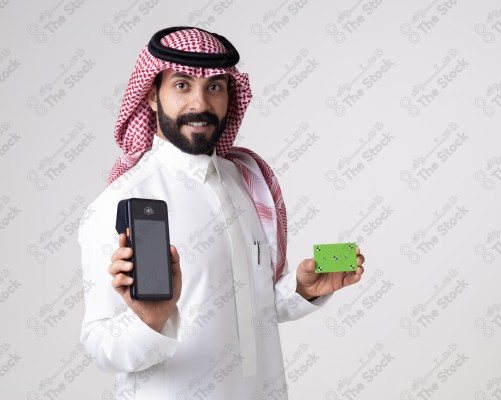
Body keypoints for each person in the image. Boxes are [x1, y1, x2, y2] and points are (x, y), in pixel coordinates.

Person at [78, 26, 366, 399]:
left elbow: (254, 308)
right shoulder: (120, 201)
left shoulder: (247, 181)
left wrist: (301, 290)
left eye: (214, 86)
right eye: (182, 85)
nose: (200, 104)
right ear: (151, 95)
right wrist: (151, 322)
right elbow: (100, 345)